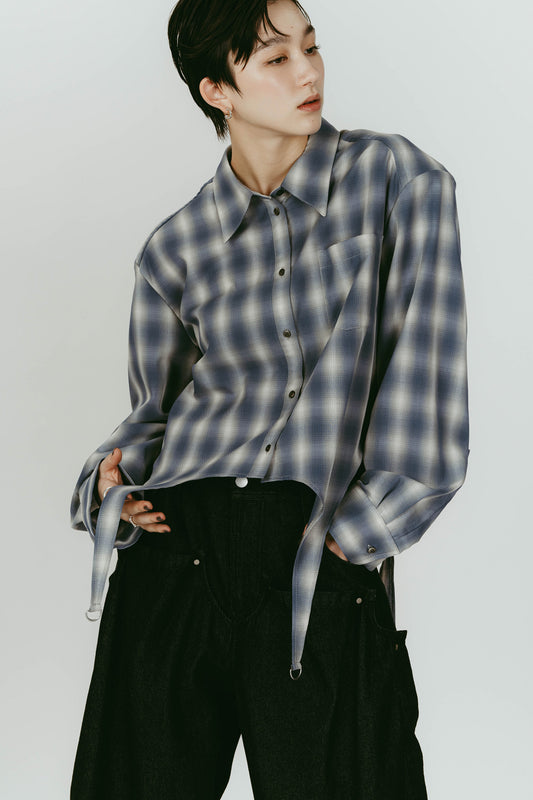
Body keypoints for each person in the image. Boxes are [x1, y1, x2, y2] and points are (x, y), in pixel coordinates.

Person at [69, 0, 469, 797]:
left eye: (310, 47)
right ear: (217, 89)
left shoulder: (396, 178)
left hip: (312, 545)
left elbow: (426, 384)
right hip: (176, 554)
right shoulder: (175, 247)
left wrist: (356, 539)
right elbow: (153, 415)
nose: (308, 71)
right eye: (276, 58)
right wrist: (107, 485)